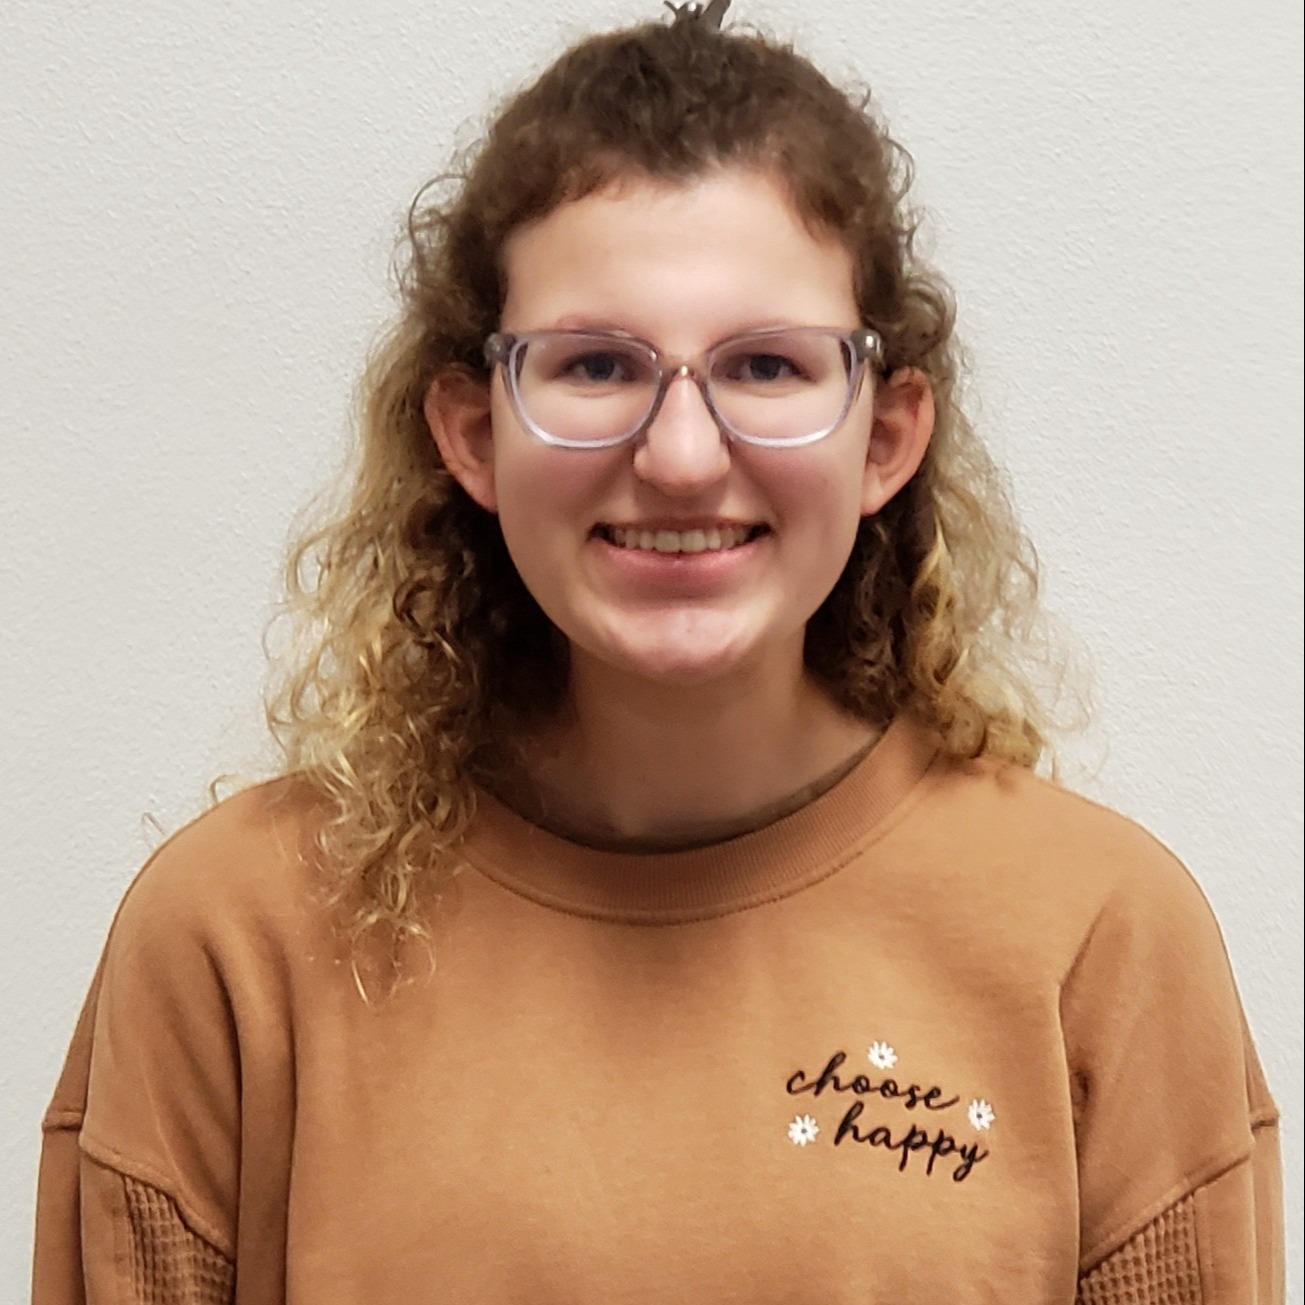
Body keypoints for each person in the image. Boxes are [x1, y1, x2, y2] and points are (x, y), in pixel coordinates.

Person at [32, 2, 1283, 1301]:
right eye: (593, 365)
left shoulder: (1102, 942)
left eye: (766, 366)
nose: (681, 456)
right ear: (472, 434)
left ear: (883, 439)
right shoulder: (232, 939)